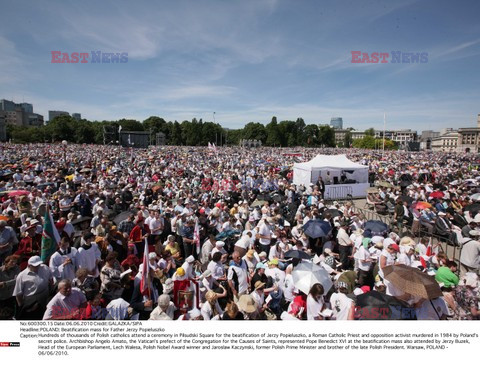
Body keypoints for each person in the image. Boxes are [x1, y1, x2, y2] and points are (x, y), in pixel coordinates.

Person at [13, 255, 53, 320]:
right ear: (29, 265)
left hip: (45, 297)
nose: (38, 267)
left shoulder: (45, 268)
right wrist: (22, 307)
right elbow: (18, 294)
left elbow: (50, 280)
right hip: (31, 301)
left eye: (38, 265)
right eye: (35, 266)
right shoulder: (21, 276)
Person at [0, 255, 20, 319]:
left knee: (10, 314)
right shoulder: (0, 270)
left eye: (15, 262)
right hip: (2, 296)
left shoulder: (16, 268)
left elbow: (17, 280)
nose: (14, 264)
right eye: (12, 262)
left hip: (11, 296)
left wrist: (5, 283)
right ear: (6, 262)